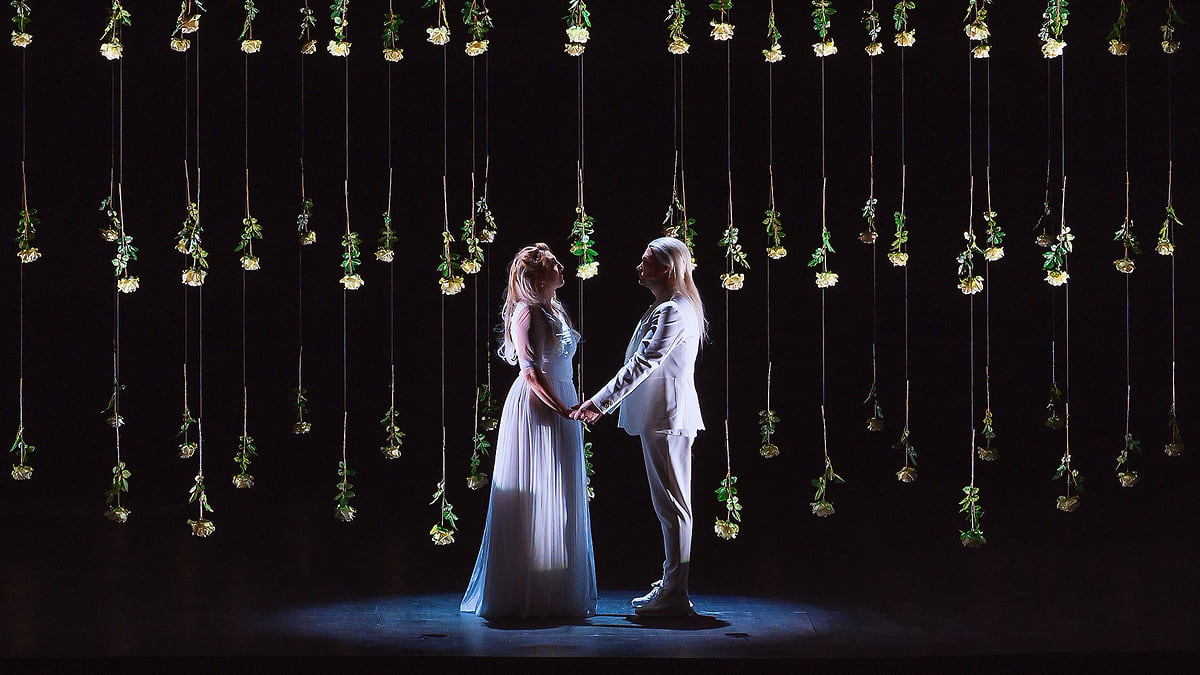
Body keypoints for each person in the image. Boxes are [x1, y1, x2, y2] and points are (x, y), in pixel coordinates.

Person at [461, 244, 598, 620]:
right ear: (537, 277)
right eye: (554, 264)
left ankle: (554, 587)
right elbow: (532, 373)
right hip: (538, 407)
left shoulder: (554, 309)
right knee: (535, 494)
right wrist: (564, 409)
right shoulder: (526, 312)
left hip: (561, 400)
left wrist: (569, 406)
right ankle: (524, 590)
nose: (562, 266)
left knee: (562, 493)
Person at [572, 236, 705, 617]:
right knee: (670, 506)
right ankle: (673, 585)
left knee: (673, 507)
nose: (639, 266)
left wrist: (600, 402)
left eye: (646, 260)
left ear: (666, 269)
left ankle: (675, 591)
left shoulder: (674, 310)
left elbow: (644, 362)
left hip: (668, 417)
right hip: (662, 417)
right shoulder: (667, 306)